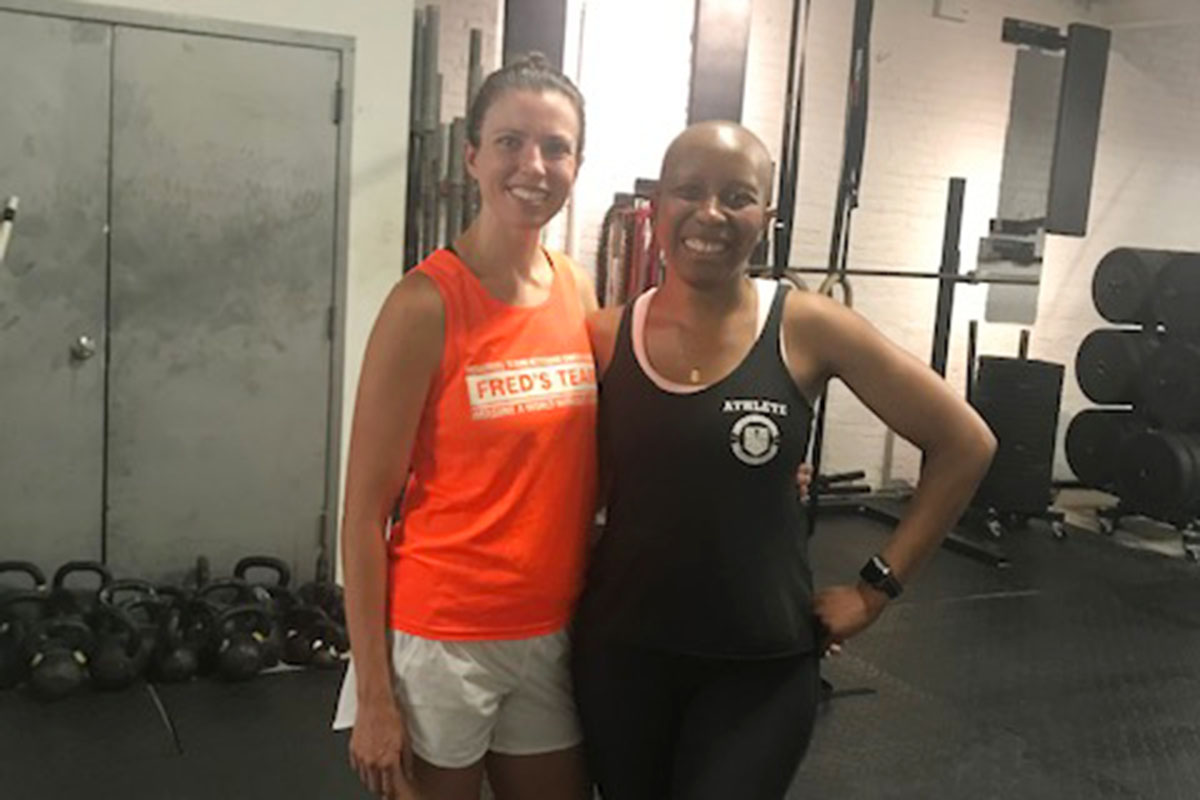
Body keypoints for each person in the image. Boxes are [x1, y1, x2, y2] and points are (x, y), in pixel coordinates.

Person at [571, 120, 997, 800]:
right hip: (622, 658)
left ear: (765, 218)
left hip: (759, 672)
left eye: (737, 196)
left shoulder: (808, 326)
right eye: (690, 191)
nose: (710, 213)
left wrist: (876, 588)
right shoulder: (602, 335)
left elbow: (966, 444)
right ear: (655, 210)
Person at [334, 54, 598, 800]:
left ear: (578, 162)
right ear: (473, 155)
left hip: (552, 628)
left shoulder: (577, 286)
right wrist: (374, 699)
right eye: (511, 142)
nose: (534, 165)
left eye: (556, 147)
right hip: (442, 636)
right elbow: (362, 516)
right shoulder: (424, 303)